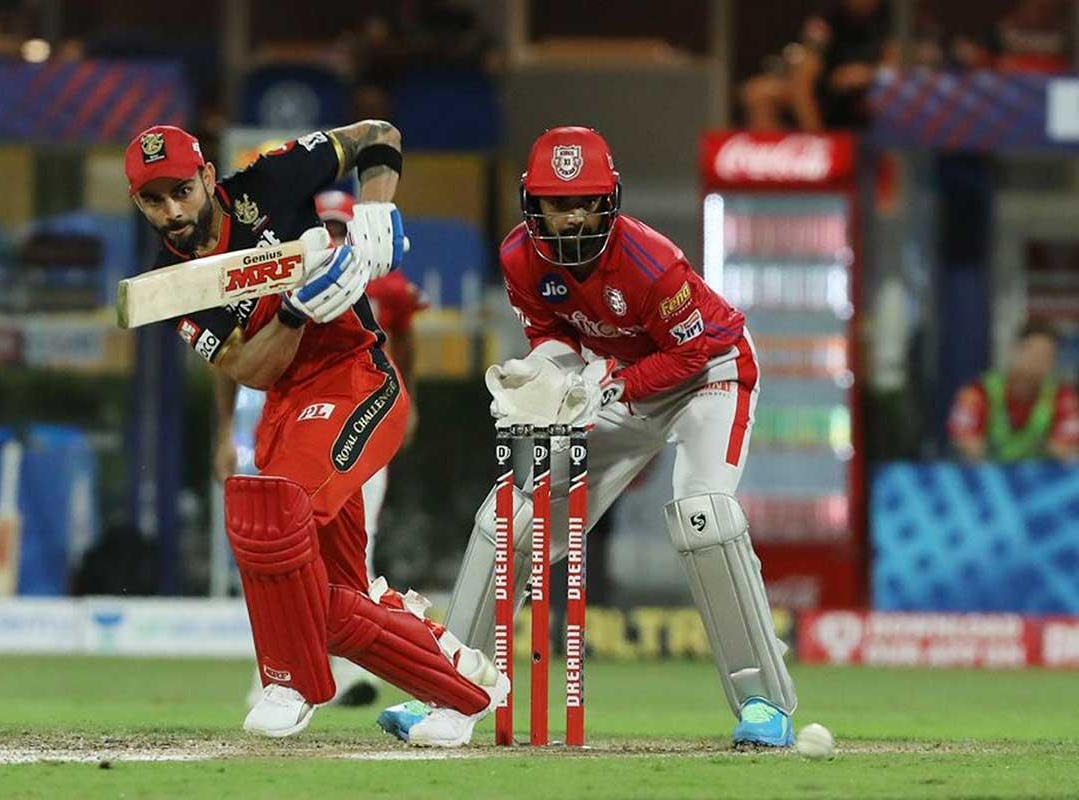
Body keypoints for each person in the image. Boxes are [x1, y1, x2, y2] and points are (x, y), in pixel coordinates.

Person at [378, 126, 797, 748]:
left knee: (703, 513)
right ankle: (448, 691)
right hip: (620, 381)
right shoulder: (519, 257)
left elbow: (686, 355)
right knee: (511, 520)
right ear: (532, 204)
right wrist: (541, 375)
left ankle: (766, 702)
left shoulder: (654, 264)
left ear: (610, 201)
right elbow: (556, 339)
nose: (573, 217)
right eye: (558, 203)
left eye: (586, 202)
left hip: (710, 372)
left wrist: (603, 389)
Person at [125, 120, 506, 743]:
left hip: (358, 378)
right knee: (333, 599)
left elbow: (380, 136)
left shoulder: (270, 180)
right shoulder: (168, 280)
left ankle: (291, 682)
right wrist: (300, 310)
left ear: (207, 178)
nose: (171, 212)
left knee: (271, 512)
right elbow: (255, 367)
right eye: (153, 200)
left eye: (180, 192)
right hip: (286, 406)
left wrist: (377, 212)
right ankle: (461, 688)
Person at [316, 189, 430, 577]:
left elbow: (405, 337)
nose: (331, 237)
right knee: (310, 521)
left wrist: (409, 400)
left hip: (369, 408)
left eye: (338, 228)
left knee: (363, 522)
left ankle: (355, 601)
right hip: (312, 410)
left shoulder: (385, 283)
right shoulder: (294, 280)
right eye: (323, 228)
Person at [740, 0, 894, 131]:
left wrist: (870, 73)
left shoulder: (890, 14)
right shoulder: (828, 15)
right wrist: (815, 133)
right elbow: (804, 74)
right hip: (825, 92)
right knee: (757, 93)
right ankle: (791, 156)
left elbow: (896, 65)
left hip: (868, 93)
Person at [948, 319, 1079, 462]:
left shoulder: (1062, 396)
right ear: (1015, 351)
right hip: (990, 477)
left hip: (1040, 480)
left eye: (1047, 356)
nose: (1038, 362)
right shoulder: (979, 392)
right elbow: (966, 443)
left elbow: (1065, 448)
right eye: (1033, 353)